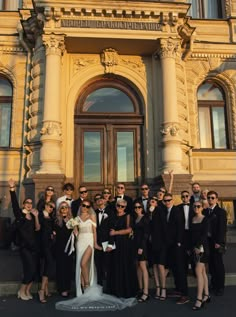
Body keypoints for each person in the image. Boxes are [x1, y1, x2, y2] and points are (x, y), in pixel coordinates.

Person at [56, 199, 137, 312]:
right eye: (83, 205)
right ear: (81, 206)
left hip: (89, 242)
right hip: (80, 242)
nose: (85, 207)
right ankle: (83, 288)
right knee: (82, 265)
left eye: (88, 206)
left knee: (83, 263)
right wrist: (67, 221)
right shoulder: (76, 218)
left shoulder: (92, 216)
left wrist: (95, 244)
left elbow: (95, 231)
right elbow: (71, 229)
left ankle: (87, 287)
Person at [8, 178, 40, 300]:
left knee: (32, 271)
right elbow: (14, 203)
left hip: (34, 246)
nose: (29, 204)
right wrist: (12, 188)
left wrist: (36, 217)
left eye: (31, 203)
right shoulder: (20, 214)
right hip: (24, 247)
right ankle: (21, 291)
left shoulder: (33, 215)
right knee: (30, 269)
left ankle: (26, 291)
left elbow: (37, 229)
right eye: (27, 202)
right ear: (24, 204)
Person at [106, 199, 138, 298]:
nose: (120, 208)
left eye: (122, 206)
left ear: (125, 207)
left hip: (125, 244)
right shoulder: (112, 216)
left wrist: (116, 232)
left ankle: (126, 291)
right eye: (118, 206)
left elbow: (129, 229)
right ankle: (116, 291)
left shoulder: (127, 216)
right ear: (116, 206)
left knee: (124, 266)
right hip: (114, 244)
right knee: (115, 266)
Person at [163, 193, 189, 304]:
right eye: (165, 200)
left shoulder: (177, 211)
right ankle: (178, 289)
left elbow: (180, 227)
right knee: (174, 267)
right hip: (169, 245)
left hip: (177, 245)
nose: (167, 202)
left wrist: (179, 242)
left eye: (169, 200)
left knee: (180, 269)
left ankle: (185, 294)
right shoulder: (165, 211)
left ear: (172, 201)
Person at [203, 191, 227, 296]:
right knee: (211, 264)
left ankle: (220, 286)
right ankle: (213, 284)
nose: (210, 200)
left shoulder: (221, 212)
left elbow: (222, 228)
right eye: (209, 198)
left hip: (217, 242)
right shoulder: (205, 212)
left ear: (217, 199)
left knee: (218, 264)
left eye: (213, 198)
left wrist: (219, 242)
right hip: (208, 242)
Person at [190, 200, 210, 310]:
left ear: (202, 207)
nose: (196, 208)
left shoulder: (205, 219)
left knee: (198, 271)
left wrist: (198, 247)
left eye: (198, 206)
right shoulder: (192, 219)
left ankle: (199, 299)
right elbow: (191, 235)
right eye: (194, 206)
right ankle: (206, 295)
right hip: (194, 248)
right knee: (202, 272)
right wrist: (192, 248)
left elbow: (204, 235)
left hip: (202, 248)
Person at [149, 196, 168, 301]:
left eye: (155, 201)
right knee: (155, 265)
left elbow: (164, 226)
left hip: (161, 242)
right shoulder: (148, 212)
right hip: (152, 243)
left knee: (161, 265)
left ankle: (163, 288)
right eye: (151, 200)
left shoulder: (161, 210)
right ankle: (157, 287)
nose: (153, 202)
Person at [94, 195, 115, 288]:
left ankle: (109, 287)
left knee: (108, 265)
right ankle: (99, 286)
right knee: (98, 265)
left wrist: (111, 244)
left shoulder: (110, 212)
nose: (99, 201)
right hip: (97, 243)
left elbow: (112, 229)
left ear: (105, 201)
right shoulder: (94, 213)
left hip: (107, 242)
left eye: (101, 199)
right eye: (97, 200)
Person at [54, 201, 74, 297]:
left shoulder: (72, 220)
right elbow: (56, 234)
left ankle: (67, 287)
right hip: (59, 247)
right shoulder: (57, 220)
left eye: (66, 207)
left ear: (68, 209)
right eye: (62, 207)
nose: (64, 209)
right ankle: (61, 288)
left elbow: (76, 233)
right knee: (60, 268)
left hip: (69, 247)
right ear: (59, 210)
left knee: (68, 268)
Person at [38, 201, 56, 303]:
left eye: (53, 208)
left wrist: (53, 232)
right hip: (43, 244)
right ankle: (41, 290)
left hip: (51, 244)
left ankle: (46, 288)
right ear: (45, 205)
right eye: (50, 206)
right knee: (49, 263)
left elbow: (52, 228)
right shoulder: (40, 215)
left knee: (47, 265)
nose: (51, 209)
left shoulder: (51, 217)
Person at [133, 202, 150, 302]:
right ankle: (140, 289)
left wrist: (142, 247)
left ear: (142, 208)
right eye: (135, 207)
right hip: (135, 245)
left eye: (139, 207)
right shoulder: (135, 219)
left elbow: (146, 234)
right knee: (138, 267)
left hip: (142, 246)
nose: (137, 208)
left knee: (143, 267)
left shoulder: (145, 218)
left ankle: (146, 292)